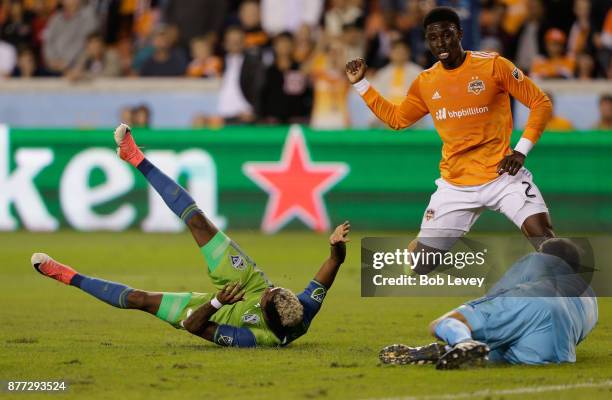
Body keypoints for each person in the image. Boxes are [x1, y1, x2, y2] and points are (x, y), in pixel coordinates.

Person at [30, 124, 350, 348]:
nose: (272, 292)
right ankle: (134, 156)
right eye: (276, 290)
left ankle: (64, 275)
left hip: (215, 306)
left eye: (269, 297)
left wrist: (215, 302)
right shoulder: (301, 310)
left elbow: (194, 328)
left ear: (266, 316)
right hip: (246, 280)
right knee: (198, 221)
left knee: (139, 300)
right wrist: (336, 248)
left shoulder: (253, 338)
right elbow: (328, 273)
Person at [346, 7, 554, 274]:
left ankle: (572, 301)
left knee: (545, 240)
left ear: (460, 34)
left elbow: (540, 102)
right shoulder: (426, 82)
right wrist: (361, 84)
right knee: (421, 266)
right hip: (456, 185)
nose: (440, 43)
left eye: (446, 35)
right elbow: (398, 119)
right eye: (433, 38)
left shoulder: (493, 65)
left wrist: (521, 150)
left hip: (503, 175)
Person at [379, 238, 598, 369]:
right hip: (556, 352)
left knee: (446, 322)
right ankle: (448, 350)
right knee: (504, 348)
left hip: (531, 302)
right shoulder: (590, 298)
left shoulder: (536, 267)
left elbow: (503, 291)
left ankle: (463, 342)